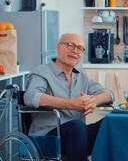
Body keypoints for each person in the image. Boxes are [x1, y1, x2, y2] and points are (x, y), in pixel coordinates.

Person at [24, 33, 114, 161]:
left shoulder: (82, 77)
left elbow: (109, 94)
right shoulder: (41, 72)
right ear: (58, 48)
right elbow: (31, 97)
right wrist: (72, 104)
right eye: (70, 45)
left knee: (110, 122)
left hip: (78, 136)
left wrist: (94, 101)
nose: (75, 51)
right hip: (47, 139)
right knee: (76, 126)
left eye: (80, 48)